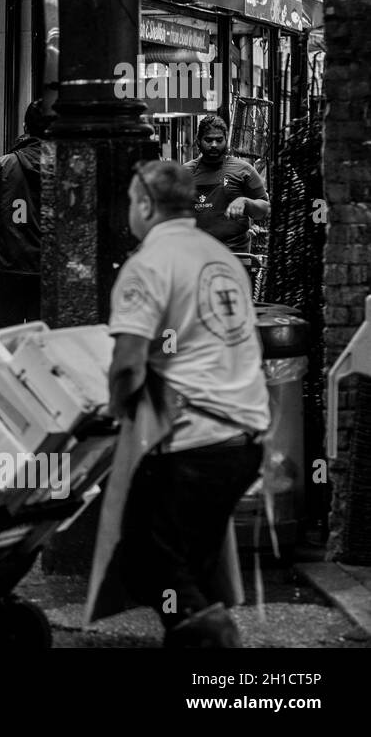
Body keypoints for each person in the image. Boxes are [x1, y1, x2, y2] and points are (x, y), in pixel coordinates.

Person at [105, 160, 268, 647]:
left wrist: (115, 412)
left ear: (146, 205)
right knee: (187, 558)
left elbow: (128, 364)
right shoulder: (219, 255)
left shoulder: (148, 264)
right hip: (247, 436)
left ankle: (213, 639)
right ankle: (194, 629)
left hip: (196, 441)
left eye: (133, 201)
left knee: (142, 557)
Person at [0, 99, 48, 328]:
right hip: (46, 269)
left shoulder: (4, 165)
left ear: (25, 127)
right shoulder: (64, 167)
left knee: (6, 339)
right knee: (43, 339)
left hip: (9, 267)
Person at [185, 114, 269, 253]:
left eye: (219, 140)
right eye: (208, 140)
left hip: (235, 255)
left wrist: (246, 202)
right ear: (198, 141)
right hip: (196, 255)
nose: (214, 145)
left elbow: (265, 209)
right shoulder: (185, 173)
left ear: (226, 140)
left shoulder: (244, 170)